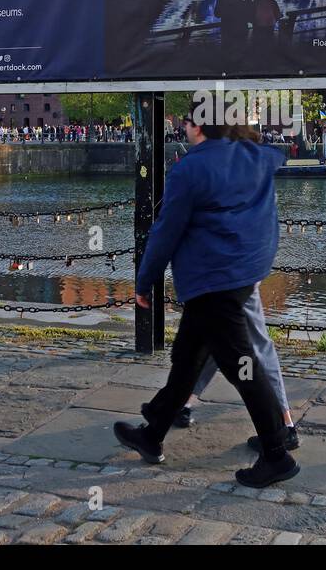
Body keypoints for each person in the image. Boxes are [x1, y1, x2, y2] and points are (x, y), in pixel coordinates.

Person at [113, 109, 299, 488]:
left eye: (185, 122)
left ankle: (276, 455)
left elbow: (166, 231)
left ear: (197, 127)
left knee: (244, 369)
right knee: (187, 359)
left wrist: (146, 280)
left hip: (213, 281)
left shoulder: (190, 169)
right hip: (241, 274)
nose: (182, 127)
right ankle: (152, 434)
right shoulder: (256, 157)